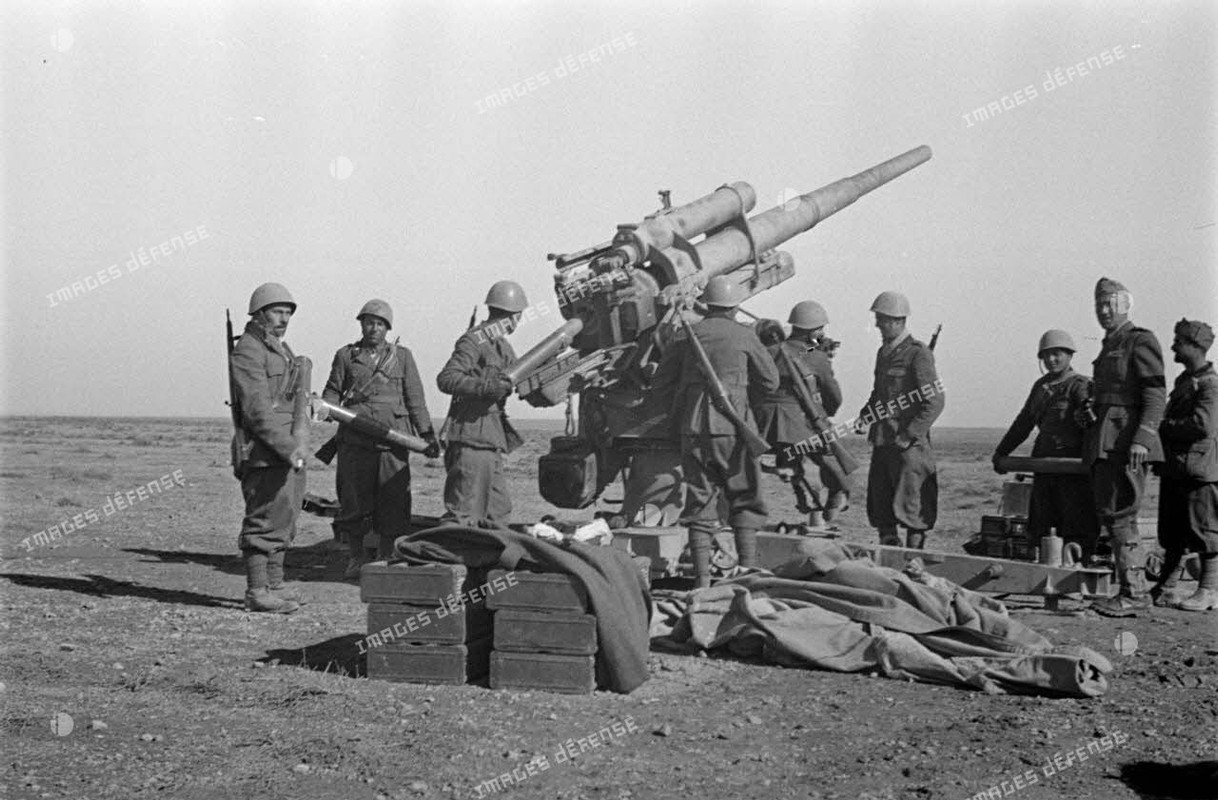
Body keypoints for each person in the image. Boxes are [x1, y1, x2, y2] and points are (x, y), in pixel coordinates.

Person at [651, 276, 779, 587]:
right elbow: (771, 382)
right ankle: (747, 575)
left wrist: (684, 405)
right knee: (745, 497)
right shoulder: (745, 336)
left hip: (693, 430)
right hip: (735, 431)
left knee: (699, 502)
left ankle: (703, 580)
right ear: (735, 308)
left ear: (707, 305)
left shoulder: (686, 335)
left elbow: (660, 384)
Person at [321, 299, 439, 578]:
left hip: (393, 443)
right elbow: (332, 392)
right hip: (355, 443)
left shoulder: (403, 357)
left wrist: (426, 434)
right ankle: (357, 557)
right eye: (369, 322)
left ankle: (387, 556)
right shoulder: (345, 356)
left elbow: (415, 399)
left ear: (387, 328)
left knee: (394, 502)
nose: (373, 328)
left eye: (379, 324)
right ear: (361, 324)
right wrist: (325, 408)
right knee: (353, 503)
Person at [1082, 277, 1166, 617]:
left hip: (1128, 441)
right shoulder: (1109, 344)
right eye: (1099, 305)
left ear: (1125, 305)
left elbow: (1155, 394)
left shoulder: (1140, 340)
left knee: (1122, 514)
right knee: (1112, 513)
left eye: (1110, 304)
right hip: (1107, 439)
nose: (1104, 311)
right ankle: (1129, 590)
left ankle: (1133, 593)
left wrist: (1143, 439)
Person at [229, 282, 310, 614]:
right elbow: (258, 410)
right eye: (278, 311)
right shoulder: (249, 349)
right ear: (260, 313)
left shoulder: (279, 348)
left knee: (284, 516)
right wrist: (287, 447)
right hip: (265, 450)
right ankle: (257, 591)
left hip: (286, 448)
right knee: (263, 520)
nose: (284, 318)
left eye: (288, 313)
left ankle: (275, 585)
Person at [992, 330, 1100, 558]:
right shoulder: (1040, 387)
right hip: (1044, 464)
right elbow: (1023, 423)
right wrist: (1002, 452)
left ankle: (1076, 571)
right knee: (1043, 523)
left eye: (1057, 354)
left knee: (1075, 523)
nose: (1051, 360)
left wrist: (1087, 410)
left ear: (1070, 355)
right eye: (1047, 355)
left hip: (1073, 468)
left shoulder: (1080, 385)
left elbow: (1091, 422)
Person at [856, 291, 945, 550]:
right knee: (882, 507)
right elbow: (878, 394)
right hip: (883, 443)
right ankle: (889, 562)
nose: (877, 325)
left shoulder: (919, 354)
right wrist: (865, 416)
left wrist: (909, 435)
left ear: (897, 321)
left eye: (881, 320)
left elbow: (935, 401)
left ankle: (912, 565)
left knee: (912, 510)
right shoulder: (884, 353)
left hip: (908, 448)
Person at [752, 301, 853, 525]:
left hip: (762, 427)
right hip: (800, 426)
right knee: (833, 459)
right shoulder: (816, 356)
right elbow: (833, 397)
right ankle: (835, 500)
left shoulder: (768, 351)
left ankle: (807, 495)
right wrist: (824, 415)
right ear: (815, 331)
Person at [436, 280, 526, 526]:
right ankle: (447, 560)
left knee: (498, 515)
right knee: (464, 515)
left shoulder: (502, 347)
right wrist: (486, 387)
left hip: (490, 441)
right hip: (470, 440)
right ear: (512, 316)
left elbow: (522, 380)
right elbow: (446, 379)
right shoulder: (474, 340)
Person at [1152, 319, 1218, 612]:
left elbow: (1202, 425)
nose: (1173, 346)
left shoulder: (1210, 385)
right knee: (1174, 530)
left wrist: (1163, 427)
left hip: (1199, 470)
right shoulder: (1185, 381)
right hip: (1177, 467)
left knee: (1203, 531)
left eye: (1178, 341)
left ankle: (1209, 590)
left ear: (1194, 346)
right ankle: (1167, 587)